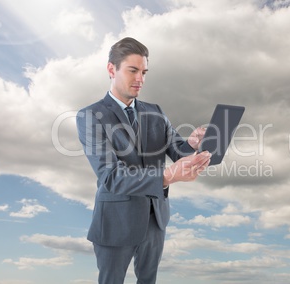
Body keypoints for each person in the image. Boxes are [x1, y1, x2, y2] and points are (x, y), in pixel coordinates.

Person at [76, 37, 211, 284]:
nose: (140, 79)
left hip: (154, 219)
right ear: (111, 69)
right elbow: (110, 176)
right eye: (133, 70)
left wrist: (193, 144)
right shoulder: (90, 115)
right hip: (116, 221)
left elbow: (176, 150)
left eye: (144, 72)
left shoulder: (155, 111)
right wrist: (168, 176)